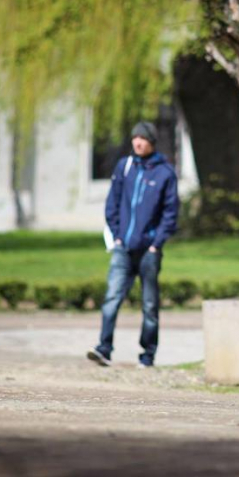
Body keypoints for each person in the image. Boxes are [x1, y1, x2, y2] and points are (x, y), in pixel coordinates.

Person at [87, 121, 179, 368]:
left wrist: (156, 244)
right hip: (123, 249)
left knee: (149, 305)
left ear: (151, 142)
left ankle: (147, 355)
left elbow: (170, 213)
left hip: (149, 251)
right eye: (135, 138)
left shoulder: (165, 173)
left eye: (143, 138)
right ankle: (103, 349)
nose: (137, 142)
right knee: (111, 299)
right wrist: (117, 236)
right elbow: (112, 203)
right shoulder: (125, 167)